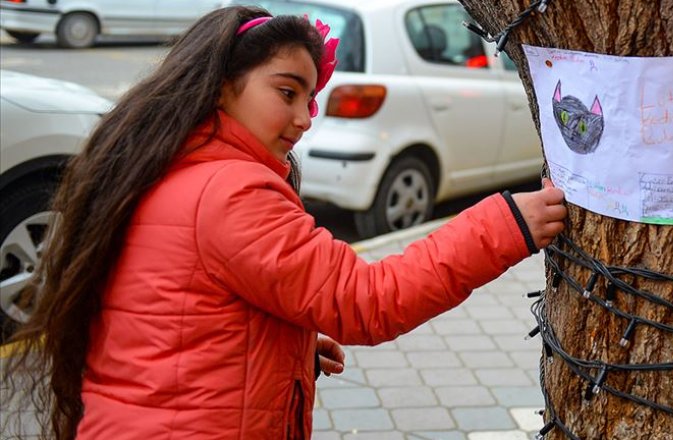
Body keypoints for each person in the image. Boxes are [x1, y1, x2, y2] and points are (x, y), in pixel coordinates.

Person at [3, 6, 566, 440]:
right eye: (286, 92)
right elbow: (368, 300)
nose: (302, 119)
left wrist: (279, 346)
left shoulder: (168, 164)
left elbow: (171, 313)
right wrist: (508, 223)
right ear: (223, 86)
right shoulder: (231, 191)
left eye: (309, 99)